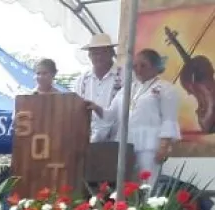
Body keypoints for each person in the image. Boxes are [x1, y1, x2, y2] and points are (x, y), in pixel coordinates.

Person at [97, 49, 182, 180]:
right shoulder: (126, 89)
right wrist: (95, 108)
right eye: (135, 66)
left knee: (146, 182)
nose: (138, 69)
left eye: (143, 65)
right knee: (123, 182)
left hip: (149, 145)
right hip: (125, 143)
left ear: (155, 67)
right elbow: (110, 115)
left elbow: (168, 119)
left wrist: (164, 146)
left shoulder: (165, 89)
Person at [74, 34, 122, 144]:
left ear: (111, 53)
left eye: (103, 52)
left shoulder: (124, 77)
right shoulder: (82, 80)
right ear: (89, 56)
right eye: (95, 53)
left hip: (116, 139)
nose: (99, 57)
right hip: (87, 140)